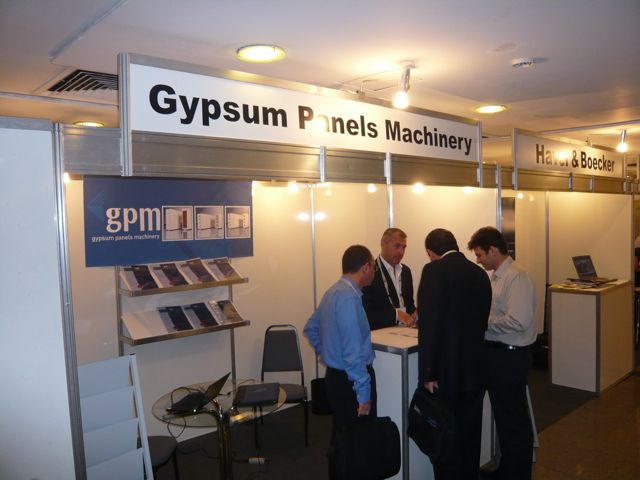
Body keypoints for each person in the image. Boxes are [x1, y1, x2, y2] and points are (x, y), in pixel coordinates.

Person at [417, 228, 492, 480]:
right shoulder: (479, 273)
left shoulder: (433, 271)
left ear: (431, 252)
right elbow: (482, 321)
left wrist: (428, 372)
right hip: (476, 370)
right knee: (470, 436)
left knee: (445, 439)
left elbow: (429, 325)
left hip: (446, 373)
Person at [468, 226, 537, 480]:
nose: (478, 260)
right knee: (505, 418)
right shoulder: (497, 277)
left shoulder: (517, 277)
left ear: (493, 250)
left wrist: (483, 323)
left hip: (510, 356)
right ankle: (508, 470)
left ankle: (518, 474)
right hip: (497, 355)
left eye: (479, 254)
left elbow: (518, 320)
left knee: (513, 421)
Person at [304, 244, 377, 438]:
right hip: (350, 383)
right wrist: (364, 394)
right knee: (358, 441)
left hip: (336, 378)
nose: (374, 272)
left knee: (342, 438)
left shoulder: (333, 292)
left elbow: (311, 328)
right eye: (373, 266)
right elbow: (353, 353)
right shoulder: (349, 299)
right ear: (365, 267)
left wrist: (328, 352)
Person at [362, 227, 417, 330]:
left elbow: (409, 306)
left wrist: (416, 314)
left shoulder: (406, 271)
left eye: (404, 247)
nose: (401, 252)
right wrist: (396, 315)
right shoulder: (369, 271)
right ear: (383, 244)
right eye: (397, 246)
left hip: (407, 331)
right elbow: (366, 314)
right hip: (381, 334)